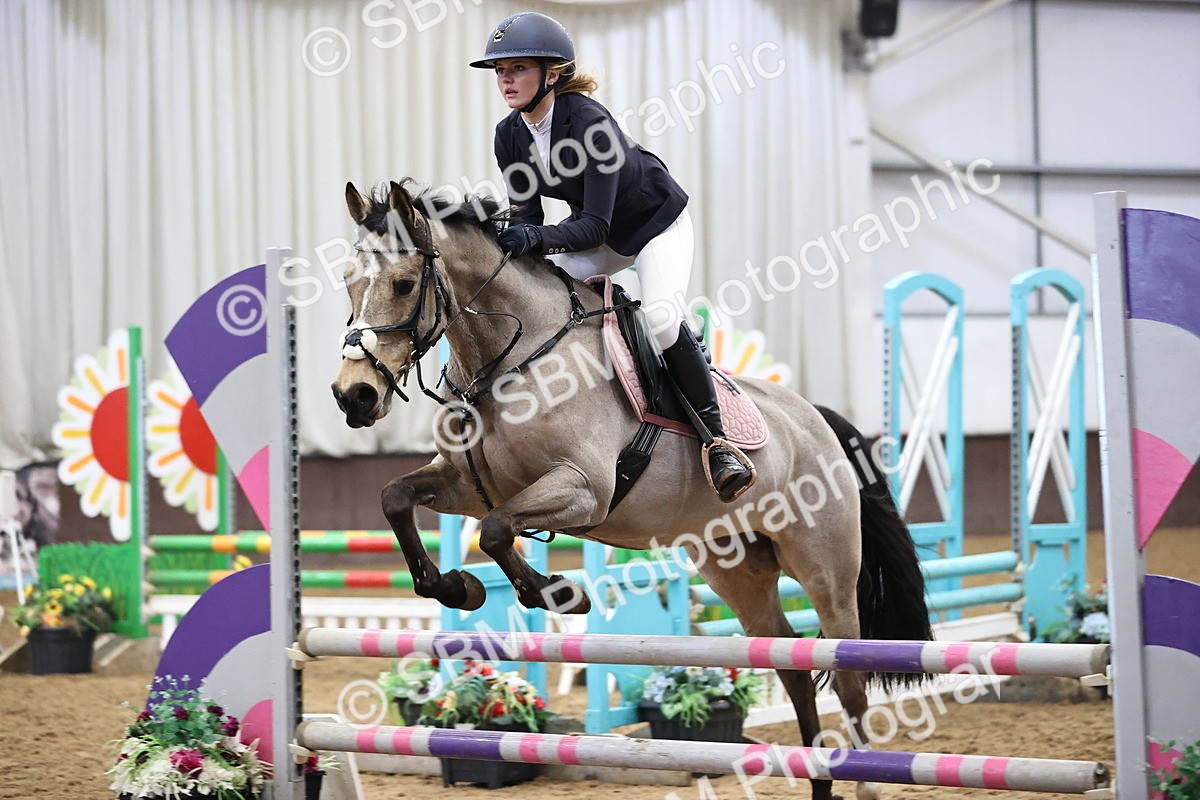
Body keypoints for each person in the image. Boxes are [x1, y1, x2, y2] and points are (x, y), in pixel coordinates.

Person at [470, 11, 755, 503]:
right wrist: (513, 241)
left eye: (518, 68)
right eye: (500, 70)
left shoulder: (590, 124)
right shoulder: (509, 135)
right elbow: (528, 216)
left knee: (661, 319)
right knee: (534, 298)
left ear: (552, 74)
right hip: (596, 236)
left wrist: (533, 238)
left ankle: (718, 442)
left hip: (655, 226)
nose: (506, 80)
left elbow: (594, 227)